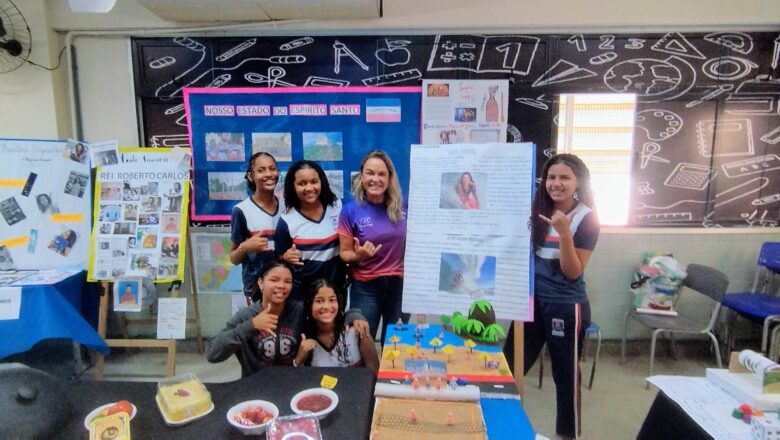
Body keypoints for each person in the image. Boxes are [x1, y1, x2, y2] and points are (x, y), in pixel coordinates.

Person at [503, 154, 600, 440]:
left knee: (565, 376)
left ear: (578, 182)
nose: (556, 184)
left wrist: (565, 233)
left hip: (566, 306)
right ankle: (502, 426)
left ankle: (566, 435)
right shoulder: (535, 211)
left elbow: (573, 271)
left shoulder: (587, 217)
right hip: (532, 303)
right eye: (552, 177)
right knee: (509, 367)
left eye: (565, 178)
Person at [206, 260, 369, 377]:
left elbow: (326, 314)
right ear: (261, 283)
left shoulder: (298, 309)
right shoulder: (246, 316)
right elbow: (213, 353)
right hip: (254, 386)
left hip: (293, 382)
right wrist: (251, 325)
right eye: (274, 280)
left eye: (288, 281)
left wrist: (354, 315)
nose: (281, 286)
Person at [337, 150, 408, 342]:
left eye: (381, 174)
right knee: (361, 342)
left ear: (389, 177)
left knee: (397, 344)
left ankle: (388, 374)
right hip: (366, 287)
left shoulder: (404, 206)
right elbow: (344, 253)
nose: (375, 179)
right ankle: (367, 374)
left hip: (399, 286)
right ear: (362, 176)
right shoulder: (349, 211)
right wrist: (358, 255)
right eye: (370, 173)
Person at [275, 160, 344, 300]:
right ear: (293, 187)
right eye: (302, 183)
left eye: (314, 182)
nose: (309, 187)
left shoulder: (337, 207)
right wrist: (285, 257)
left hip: (335, 292)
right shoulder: (287, 221)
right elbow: (278, 258)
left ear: (322, 182)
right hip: (302, 296)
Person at [295, 279, 378, 373]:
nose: (326, 306)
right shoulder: (304, 338)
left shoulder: (357, 329)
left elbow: (374, 374)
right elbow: (298, 380)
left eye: (332, 300)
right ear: (309, 305)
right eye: (319, 301)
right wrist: (298, 360)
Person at [230, 152, 281, 302]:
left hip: (284, 286)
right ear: (251, 176)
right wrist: (245, 247)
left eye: (272, 169)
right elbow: (233, 258)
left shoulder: (287, 207)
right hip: (256, 290)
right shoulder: (241, 210)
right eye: (261, 170)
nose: (268, 174)